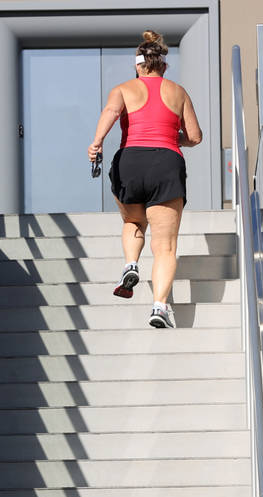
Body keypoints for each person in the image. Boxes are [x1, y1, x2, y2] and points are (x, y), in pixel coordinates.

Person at [87, 30, 202, 329]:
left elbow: (111, 113)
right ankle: (160, 307)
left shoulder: (123, 89)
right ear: (164, 65)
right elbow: (195, 137)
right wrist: (172, 137)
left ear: (138, 65)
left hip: (130, 161)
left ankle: (131, 264)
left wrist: (96, 142)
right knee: (164, 247)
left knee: (133, 223)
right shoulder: (178, 92)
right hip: (166, 163)